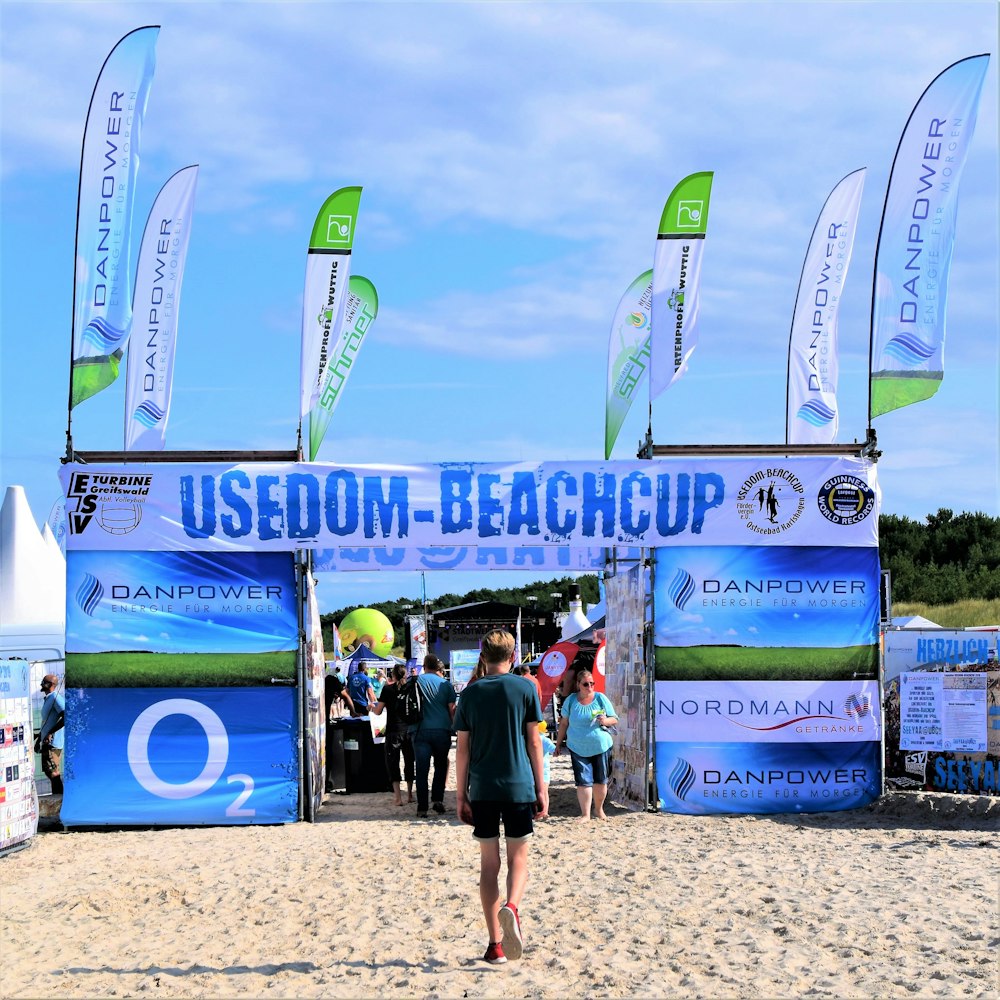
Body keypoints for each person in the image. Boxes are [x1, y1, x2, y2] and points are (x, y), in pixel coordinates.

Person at [454, 630, 547, 965]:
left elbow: (462, 750)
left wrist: (461, 793)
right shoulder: (525, 688)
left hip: (482, 788)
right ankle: (512, 907)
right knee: (518, 860)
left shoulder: (470, 693)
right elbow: (534, 743)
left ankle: (495, 945)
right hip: (518, 784)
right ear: (513, 654)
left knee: (488, 866)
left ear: (483, 654)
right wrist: (542, 787)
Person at [555, 668, 618, 822]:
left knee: (600, 780)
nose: (589, 687)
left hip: (600, 745)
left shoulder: (600, 698)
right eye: (585, 684)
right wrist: (558, 745)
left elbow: (614, 718)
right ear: (578, 684)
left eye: (592, 683)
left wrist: (605, 721)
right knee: (583, 781)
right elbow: (563, 723)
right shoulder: (570, 700)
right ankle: (585, 814)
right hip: (577, 746)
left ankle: (599, 810)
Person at [414, 654, 457, 817]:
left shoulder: (415, 681)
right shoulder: (445, 684)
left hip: (419, 729)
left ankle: (422, 807)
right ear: (438, 667)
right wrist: (455, 727)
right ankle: (437, 800)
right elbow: (451, 709)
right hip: (441, 730)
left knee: (421, 769)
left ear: (424, 666)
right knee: (440, 766)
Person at [373, 664, 415, 806]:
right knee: (409, 761)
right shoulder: (410, 688)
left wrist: (370, 707)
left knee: (393, 763)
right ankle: (410, 794)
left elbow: (378, 711)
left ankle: (398, 797)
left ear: (393, 675)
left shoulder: (387, 689)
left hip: (393, 730)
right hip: (409, 730)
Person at [37, 674, 65, 796]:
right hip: (46, 741)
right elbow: (47, 722)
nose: (42, 684)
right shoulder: (48, 698)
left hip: (52, 743)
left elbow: (66, 716)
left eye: (45, 682)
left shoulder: (55, 697)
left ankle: (59, 801)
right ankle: (58, 799)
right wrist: (39, 737)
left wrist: (50, 732)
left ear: (52, 685)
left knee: (53, 773)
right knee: (49, 772)